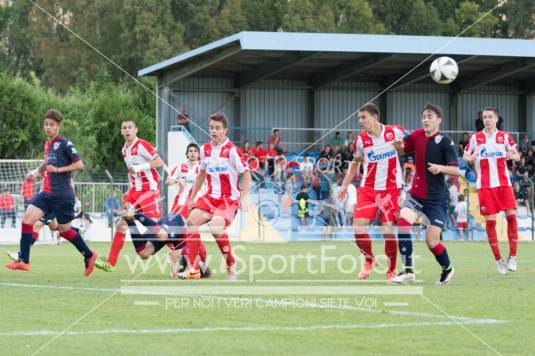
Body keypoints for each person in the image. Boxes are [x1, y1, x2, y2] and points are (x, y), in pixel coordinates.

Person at [5, 109, 97, 275]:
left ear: (58, 126)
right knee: (27, 219)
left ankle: (89, 255)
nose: (48, 127)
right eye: (46, 124)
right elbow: (47, 163)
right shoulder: (48, 144)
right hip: (47, 193)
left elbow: (79, 165)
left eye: (52, 125)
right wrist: (34, 173)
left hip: (63, 195)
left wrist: (59, 169)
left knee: (64, 230)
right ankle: (24, 261)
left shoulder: (65, 144)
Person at [392, 104, 460, 285]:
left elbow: (456, 170)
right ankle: (408, 271)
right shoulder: (416, 135)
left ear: (439, 120)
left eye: (429, 116)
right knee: (402, 224)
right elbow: (402, 150)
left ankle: (447, 269)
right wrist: (398, 147)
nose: (425, 120)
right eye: (423, 117)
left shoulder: (445, 141)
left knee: (432, 242)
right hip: (416, 195)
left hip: (437, 200)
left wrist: (440, 168)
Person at [180, 112, 251, 280]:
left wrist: (244, 197)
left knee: (215, 227)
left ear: (225, 130)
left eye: (218, 128)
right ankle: (193, 269)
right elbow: (201, 175)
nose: (214, 131)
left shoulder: (232, 150)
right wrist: (192, 197)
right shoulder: (204, 149)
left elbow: (246, 173)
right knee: (190, 221)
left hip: (228, 199)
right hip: (210, 197)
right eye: (211, 127)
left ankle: (230, 264)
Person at [339, 103, 403, 282]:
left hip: (391, 189)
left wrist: (400, 147)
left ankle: (391, 270)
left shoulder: (395, 132)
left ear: (375, 117)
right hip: (368, 189)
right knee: (358, 228)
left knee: (387, 230)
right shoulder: (360, 140)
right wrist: (344, 186)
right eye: (359, 118)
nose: (360, 121)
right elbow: (355, 163)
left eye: (363, 117)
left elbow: (406, 150)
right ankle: (369, 259)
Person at [95, 119, 165, 272]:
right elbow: (132, 173)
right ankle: (111, 263)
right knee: (121, 224)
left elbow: (159, 162)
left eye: (130, 128)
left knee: (155, 227)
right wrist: (130, 188)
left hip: (149, 190)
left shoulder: (142, 145)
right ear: (121, 132)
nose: (127, 130)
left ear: (136, 130)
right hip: (135, 191)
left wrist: (140, 167)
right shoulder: (124, 150)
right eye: (124, 128)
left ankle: (178, 245)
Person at [464, 106, 521, 275]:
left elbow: (517, 155)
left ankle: (513, 256)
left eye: (490, 116)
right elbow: (466, 156)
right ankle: (498, 259)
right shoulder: (476, 138)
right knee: (490, 222)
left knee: (511, 217)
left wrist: (513, 156)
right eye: (485, 117)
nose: (487, 119)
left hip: (503, 184)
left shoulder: (504, 137)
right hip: (485, 186)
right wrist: (470, 158)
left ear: (496, 119)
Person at [114, 204, 210, 278]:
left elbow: (174, 270)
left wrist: (177, 273)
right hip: (177, 222)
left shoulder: (188, 266)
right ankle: (135, 214)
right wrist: (178, 272)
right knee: (162, 236)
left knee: (143, 253)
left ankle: (130, 220)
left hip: (169, 235)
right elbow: (174, 254)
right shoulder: (200, 253)